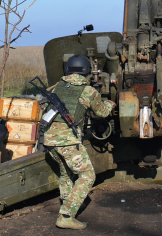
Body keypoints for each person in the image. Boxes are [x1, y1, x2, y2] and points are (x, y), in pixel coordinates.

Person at [42, 54, 115, 230]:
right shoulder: (87, 91)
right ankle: (66, 215)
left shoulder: (57, 86)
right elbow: (102, 113)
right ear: (87, 71)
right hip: (67, 140)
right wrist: (111, 104)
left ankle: (69, 203)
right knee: (88, 175)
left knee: (67, 172)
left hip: (49, 140)